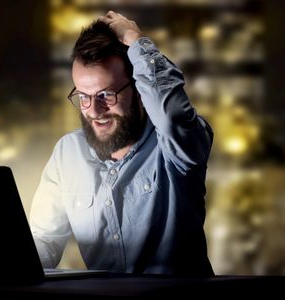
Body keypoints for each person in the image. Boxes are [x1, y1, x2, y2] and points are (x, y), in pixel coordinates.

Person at [29, 11, 214, 275]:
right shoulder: (67, 153)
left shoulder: (176, 147)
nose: (94, 109)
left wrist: (135, 40)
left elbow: (172, 117)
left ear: (139, 88)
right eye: (83, 96)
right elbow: (44, 240)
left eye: (106, 94)